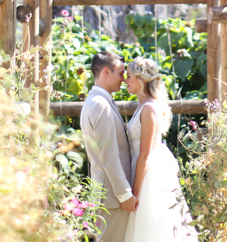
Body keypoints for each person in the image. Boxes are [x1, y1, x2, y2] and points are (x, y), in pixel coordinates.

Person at [123, 57, 199, 242]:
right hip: (143, 167)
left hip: (149, 173)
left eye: (129, 76)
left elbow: (145, 154)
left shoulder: (149, 108)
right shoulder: (142, 105)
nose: (125, 80)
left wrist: (136, 192)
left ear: (141, 79)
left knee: (153, 227)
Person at [80, 51, 138, 242]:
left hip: (107, 195)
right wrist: (124, 194)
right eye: (121, 73)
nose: (123, 79)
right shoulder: (100, 105)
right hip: (113, 197)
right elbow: (108, 156)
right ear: (106, 72)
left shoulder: (95, 101)